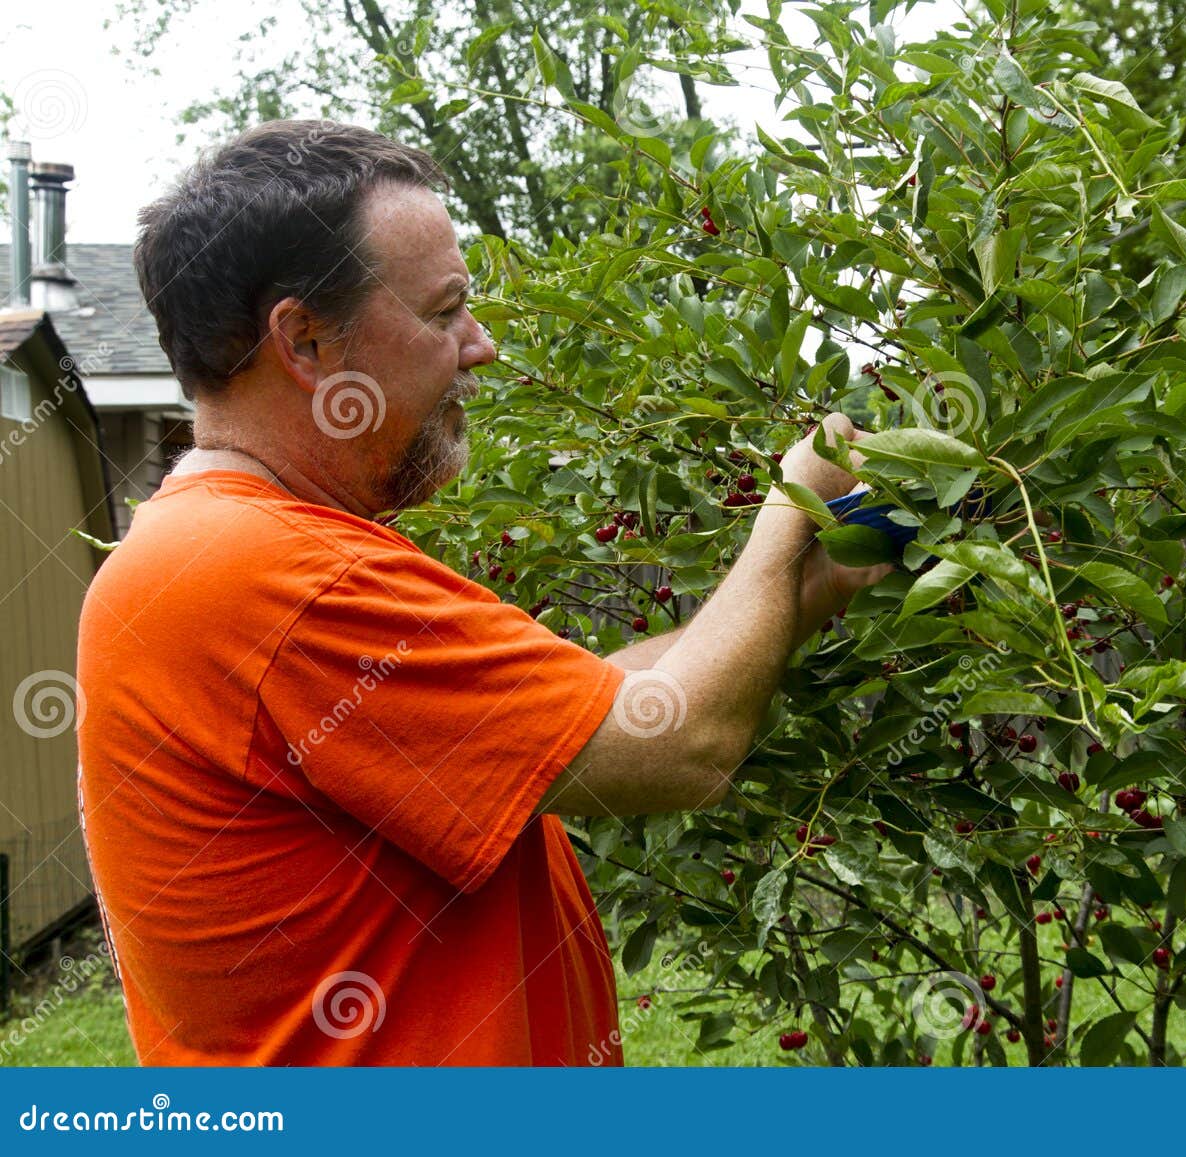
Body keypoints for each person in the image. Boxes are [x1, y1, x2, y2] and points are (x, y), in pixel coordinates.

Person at [75, 119, 887, 1065]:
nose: (482, 345)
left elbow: (597, 712)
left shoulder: (218, 547)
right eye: (445, 309)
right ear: (304, 341)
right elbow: (683, 746)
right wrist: (791, 501)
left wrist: (821, 574)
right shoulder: (277, 577)